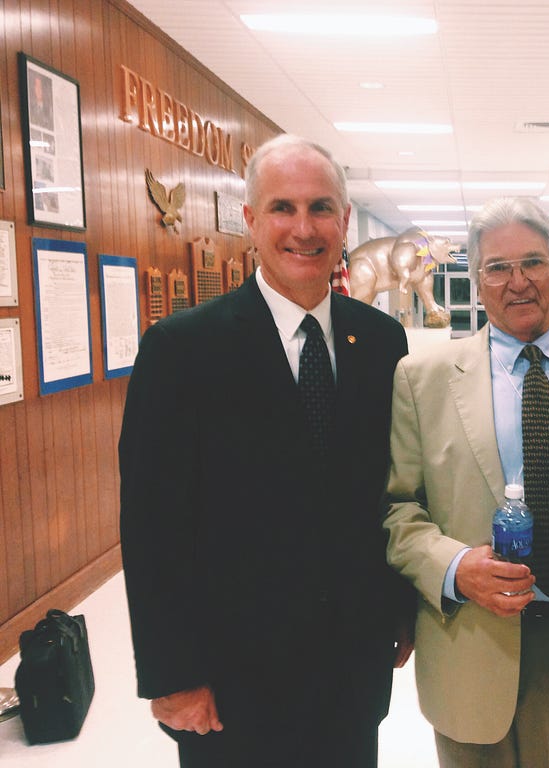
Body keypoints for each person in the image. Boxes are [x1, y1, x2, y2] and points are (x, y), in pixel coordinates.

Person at [119, 134, 411, 768]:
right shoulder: (182, 350)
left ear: (345, 221)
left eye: (321, 207)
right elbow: (151, 526)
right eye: (282, 207)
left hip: (352, 673)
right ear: (250, 221)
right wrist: (172, 675)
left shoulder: (383, 343)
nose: (303, 229)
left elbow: (391, 490)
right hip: (232, 684)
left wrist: (401, 610)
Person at [382, 196, 549, 768]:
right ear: (476, 281)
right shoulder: (421, 380)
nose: (517, 281)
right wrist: (454, 567)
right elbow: (397, 509)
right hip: (471, 636)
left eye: (534, 262)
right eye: (498, 267)